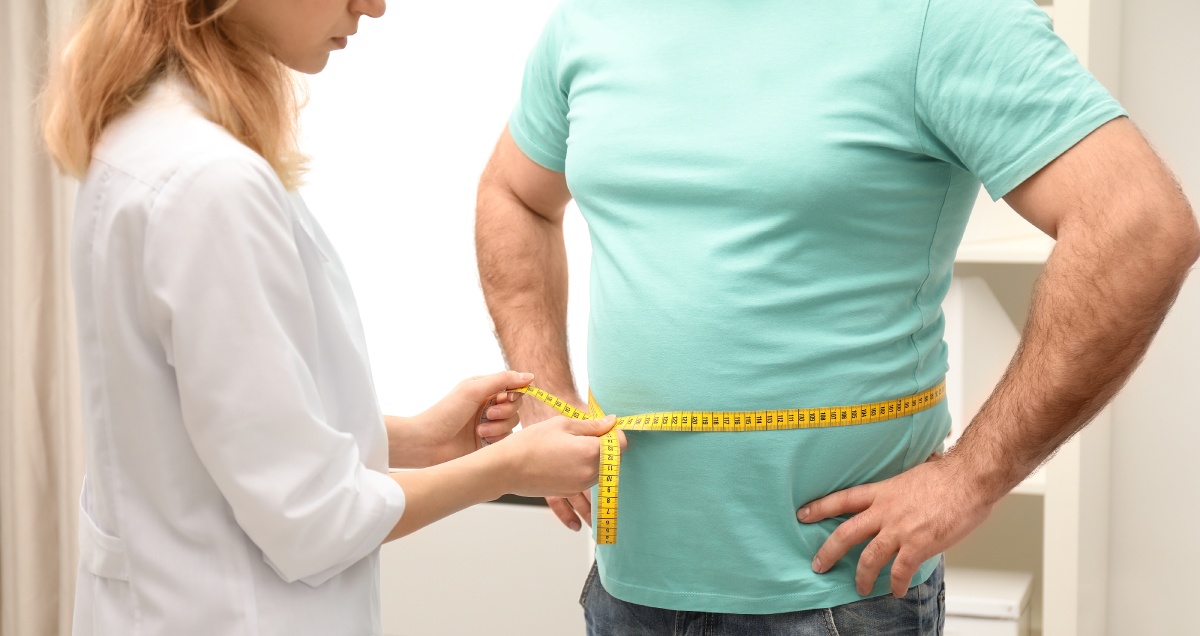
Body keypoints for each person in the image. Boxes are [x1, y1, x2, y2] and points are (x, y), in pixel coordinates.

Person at [474, 0, 1200, 633]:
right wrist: (543, 394)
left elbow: (1138, 225)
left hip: (834, 603)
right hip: (626, 584)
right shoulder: (590, 20)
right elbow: (515, 195)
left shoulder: (940, 16)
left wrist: (972, 477)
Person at [40, 0, 627, 634]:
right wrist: (506, 468)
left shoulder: (148, 140)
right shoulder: (209, 184)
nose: (373, 6)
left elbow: (217, 422)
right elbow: (313, 520)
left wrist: (415, 440)